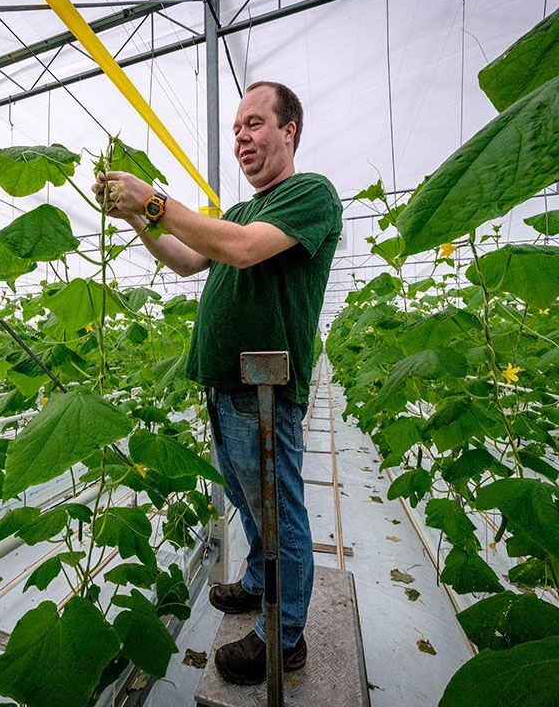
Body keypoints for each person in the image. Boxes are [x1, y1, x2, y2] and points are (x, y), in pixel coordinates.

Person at [92, 81, 342, 685]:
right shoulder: (237, 209)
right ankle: (259, 586)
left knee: (279, 513)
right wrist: (136, 217)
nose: (241, 138)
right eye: (236, 129)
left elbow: (244, 251)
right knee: (250, 505)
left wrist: (155, 201)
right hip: (227, 389)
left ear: (290, 132)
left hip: (266, 392)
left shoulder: (310, 194)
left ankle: (284, 639)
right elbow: (186, 259)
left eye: (254, 124)